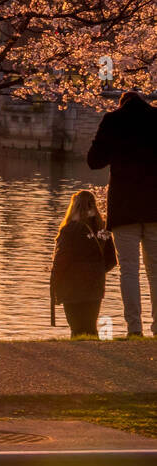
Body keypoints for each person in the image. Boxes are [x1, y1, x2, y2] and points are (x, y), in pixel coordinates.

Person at [86, 90, 157, 336]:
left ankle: (134, 328)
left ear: (121, 103)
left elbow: (94, 161)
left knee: (129, 269)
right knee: (155, 271)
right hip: (154, 207)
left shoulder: (113, 120)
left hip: (124, 206)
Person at [49, 190, 116, 338]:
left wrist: (54, 279)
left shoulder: (69, 230)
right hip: (95, 285)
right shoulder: (102, 229)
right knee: (91, 327)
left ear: (74, 206)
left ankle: (78, 359)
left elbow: (62, 260)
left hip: (71, 286)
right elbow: (112, 260)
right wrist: (97, 271)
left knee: (76, 328)